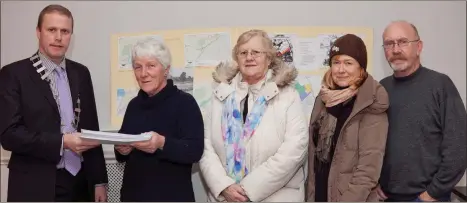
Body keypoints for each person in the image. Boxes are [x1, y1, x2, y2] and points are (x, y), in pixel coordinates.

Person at [0, 4, 108, 202]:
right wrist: (62, 142)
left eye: (65, 31)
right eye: (52, 30)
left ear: (71, 36)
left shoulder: (81, 73)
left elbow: (91, 128)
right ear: (38, 32)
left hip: (79, 183)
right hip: (34, 185)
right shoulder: (13, 74)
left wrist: (99, 181)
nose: (58, 37)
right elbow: (9, 135)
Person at [199, 29, 309, 202]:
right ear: (237, 58)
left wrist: (247, 190)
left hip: (276, 197)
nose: (249, 57)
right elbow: (206, 148)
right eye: (243, 53)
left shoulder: (288, 96)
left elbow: (294, 150)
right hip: (226, 197)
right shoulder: (220, 95)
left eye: (256, 52)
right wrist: (223, 186)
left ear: (269, 58)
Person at [376, 20, 467, 202]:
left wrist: (433, 193)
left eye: (403, 42)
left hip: (429, 198)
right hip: (387, 197)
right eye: (389, 43)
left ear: (418, 46)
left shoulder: (440, 85)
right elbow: (372, 142)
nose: (395, 49)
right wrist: (375, 182)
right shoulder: (381, 89)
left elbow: (458, 146)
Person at [113, 37, 205, 202]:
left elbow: (195, 151)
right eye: (138, 67)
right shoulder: (133, 105)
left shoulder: (185, 103)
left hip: (172, 197)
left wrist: (162, 143)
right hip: (133, 196)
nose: (143, 73)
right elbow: (122, 153)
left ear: (166, 69)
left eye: (151, 66)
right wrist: (121, 149)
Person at [305, 34, 389, 202]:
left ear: (361, 68)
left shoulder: (370, 104)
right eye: (336, 62)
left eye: (348, 63)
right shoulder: (323, 100)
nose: (341, 69)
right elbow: (314, 160)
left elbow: (367, 172)